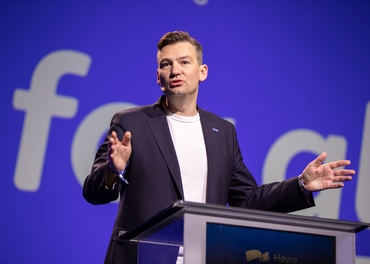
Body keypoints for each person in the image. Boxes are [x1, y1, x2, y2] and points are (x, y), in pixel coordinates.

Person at [83, 31, 354, 264]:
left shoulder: (222, 131)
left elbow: (246, 201)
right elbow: (93, 192)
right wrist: (112, 170)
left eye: (184, 62)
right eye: (166, 64)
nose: (175, 70)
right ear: (158, 77)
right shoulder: (131, 123)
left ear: (202, 72)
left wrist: (300, 185)